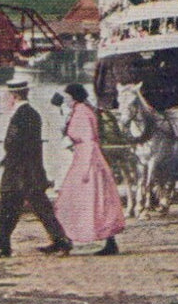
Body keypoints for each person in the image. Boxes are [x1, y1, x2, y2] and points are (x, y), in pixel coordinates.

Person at [0, 80, 71, 258]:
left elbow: (12, 143)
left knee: (6, 208)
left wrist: (7, 159)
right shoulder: (31, 113)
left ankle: (1, 246)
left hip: (18, 171)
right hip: (31, 171)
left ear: (14, 96)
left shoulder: (21, 114)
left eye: (7, 95)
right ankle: (61, 241)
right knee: (41, 208)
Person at [52, 84, 125, 256]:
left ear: (74, 97)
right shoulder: (80, 110)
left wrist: (86, 167)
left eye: (68, 97)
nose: (66, 101)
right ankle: (66, 239)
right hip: (83, 158)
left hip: (87, 160)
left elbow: (89, 140)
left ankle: (68, 241)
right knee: (85, 201)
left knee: (89, 201)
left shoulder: (83, 112)